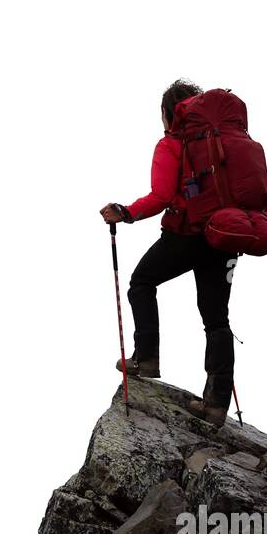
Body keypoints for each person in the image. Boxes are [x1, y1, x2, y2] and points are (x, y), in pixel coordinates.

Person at [100, 79, 236, 426]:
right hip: (226, 234)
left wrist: (126, 212)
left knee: (142, 281)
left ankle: (146, 357)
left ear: (168, 113)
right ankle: (217, 404)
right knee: (216, 319)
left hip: (187, 232)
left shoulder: (173, 144)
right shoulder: (225, 142)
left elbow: (161, 196)